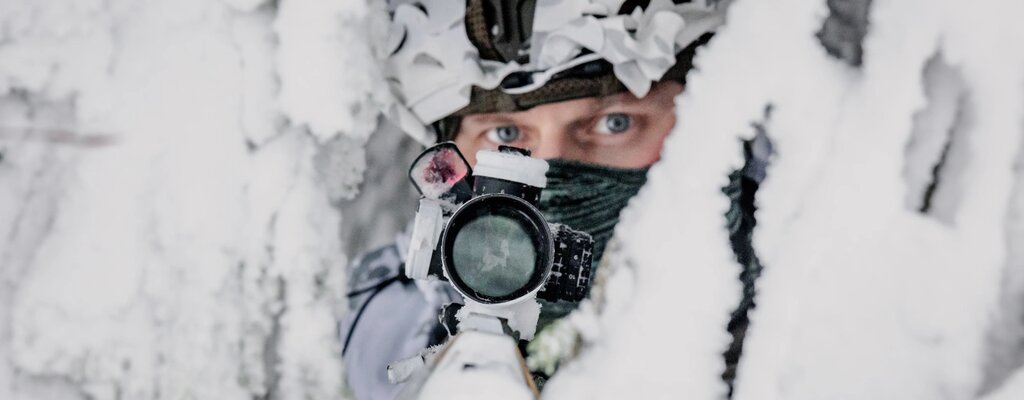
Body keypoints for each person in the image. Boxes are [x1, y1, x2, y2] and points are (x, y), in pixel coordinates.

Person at [340, 1, 757, 399]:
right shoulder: (383, 337)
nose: (550, 168)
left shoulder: (794, 330)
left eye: (616, 123)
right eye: (505, 135)